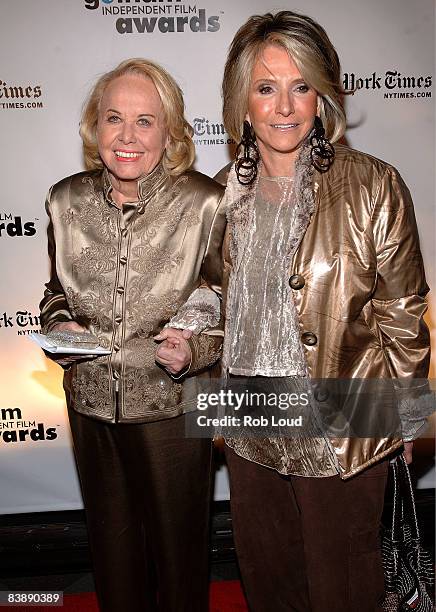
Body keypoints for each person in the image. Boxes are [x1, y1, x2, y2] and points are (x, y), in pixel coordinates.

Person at [162, 11, 431, 612]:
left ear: (324, 97)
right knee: (269, 579)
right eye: (266, 87)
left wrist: (410, 419)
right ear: (242, 102)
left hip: (344, 410)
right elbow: (216, 300)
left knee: (345, 585)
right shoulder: (222, 191)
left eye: (301, 86)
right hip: (247, 414)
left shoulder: (373, 185)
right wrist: (189, 337)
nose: (284, 107)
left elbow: (402, 310)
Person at [39, 58, 226, 612]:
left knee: (179, 556)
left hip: (172, 409)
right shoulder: (64, 200)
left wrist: (193, 349)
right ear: (94, 127)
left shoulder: (204, 204)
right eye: (113, 118)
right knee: (112, 554)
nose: (126, 136)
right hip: (91, 404)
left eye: (145, 121)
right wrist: (58, 324)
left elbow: (224, 303)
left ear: (170, 132)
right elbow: (53, 291)